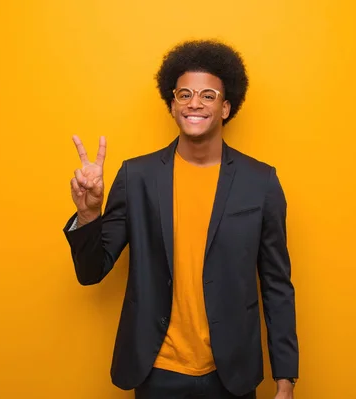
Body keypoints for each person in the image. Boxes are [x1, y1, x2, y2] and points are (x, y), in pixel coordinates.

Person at [63, 39, 298, 399]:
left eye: (208, 95)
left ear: (225, 107)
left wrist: (285, 380)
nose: (195, 103)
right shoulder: (136, 176)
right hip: (156, 371)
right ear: (172, 105)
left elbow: (276, 284)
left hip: (231, 374)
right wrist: (89, 213)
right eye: (184, 94)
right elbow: (91, 271)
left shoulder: (260, 182)